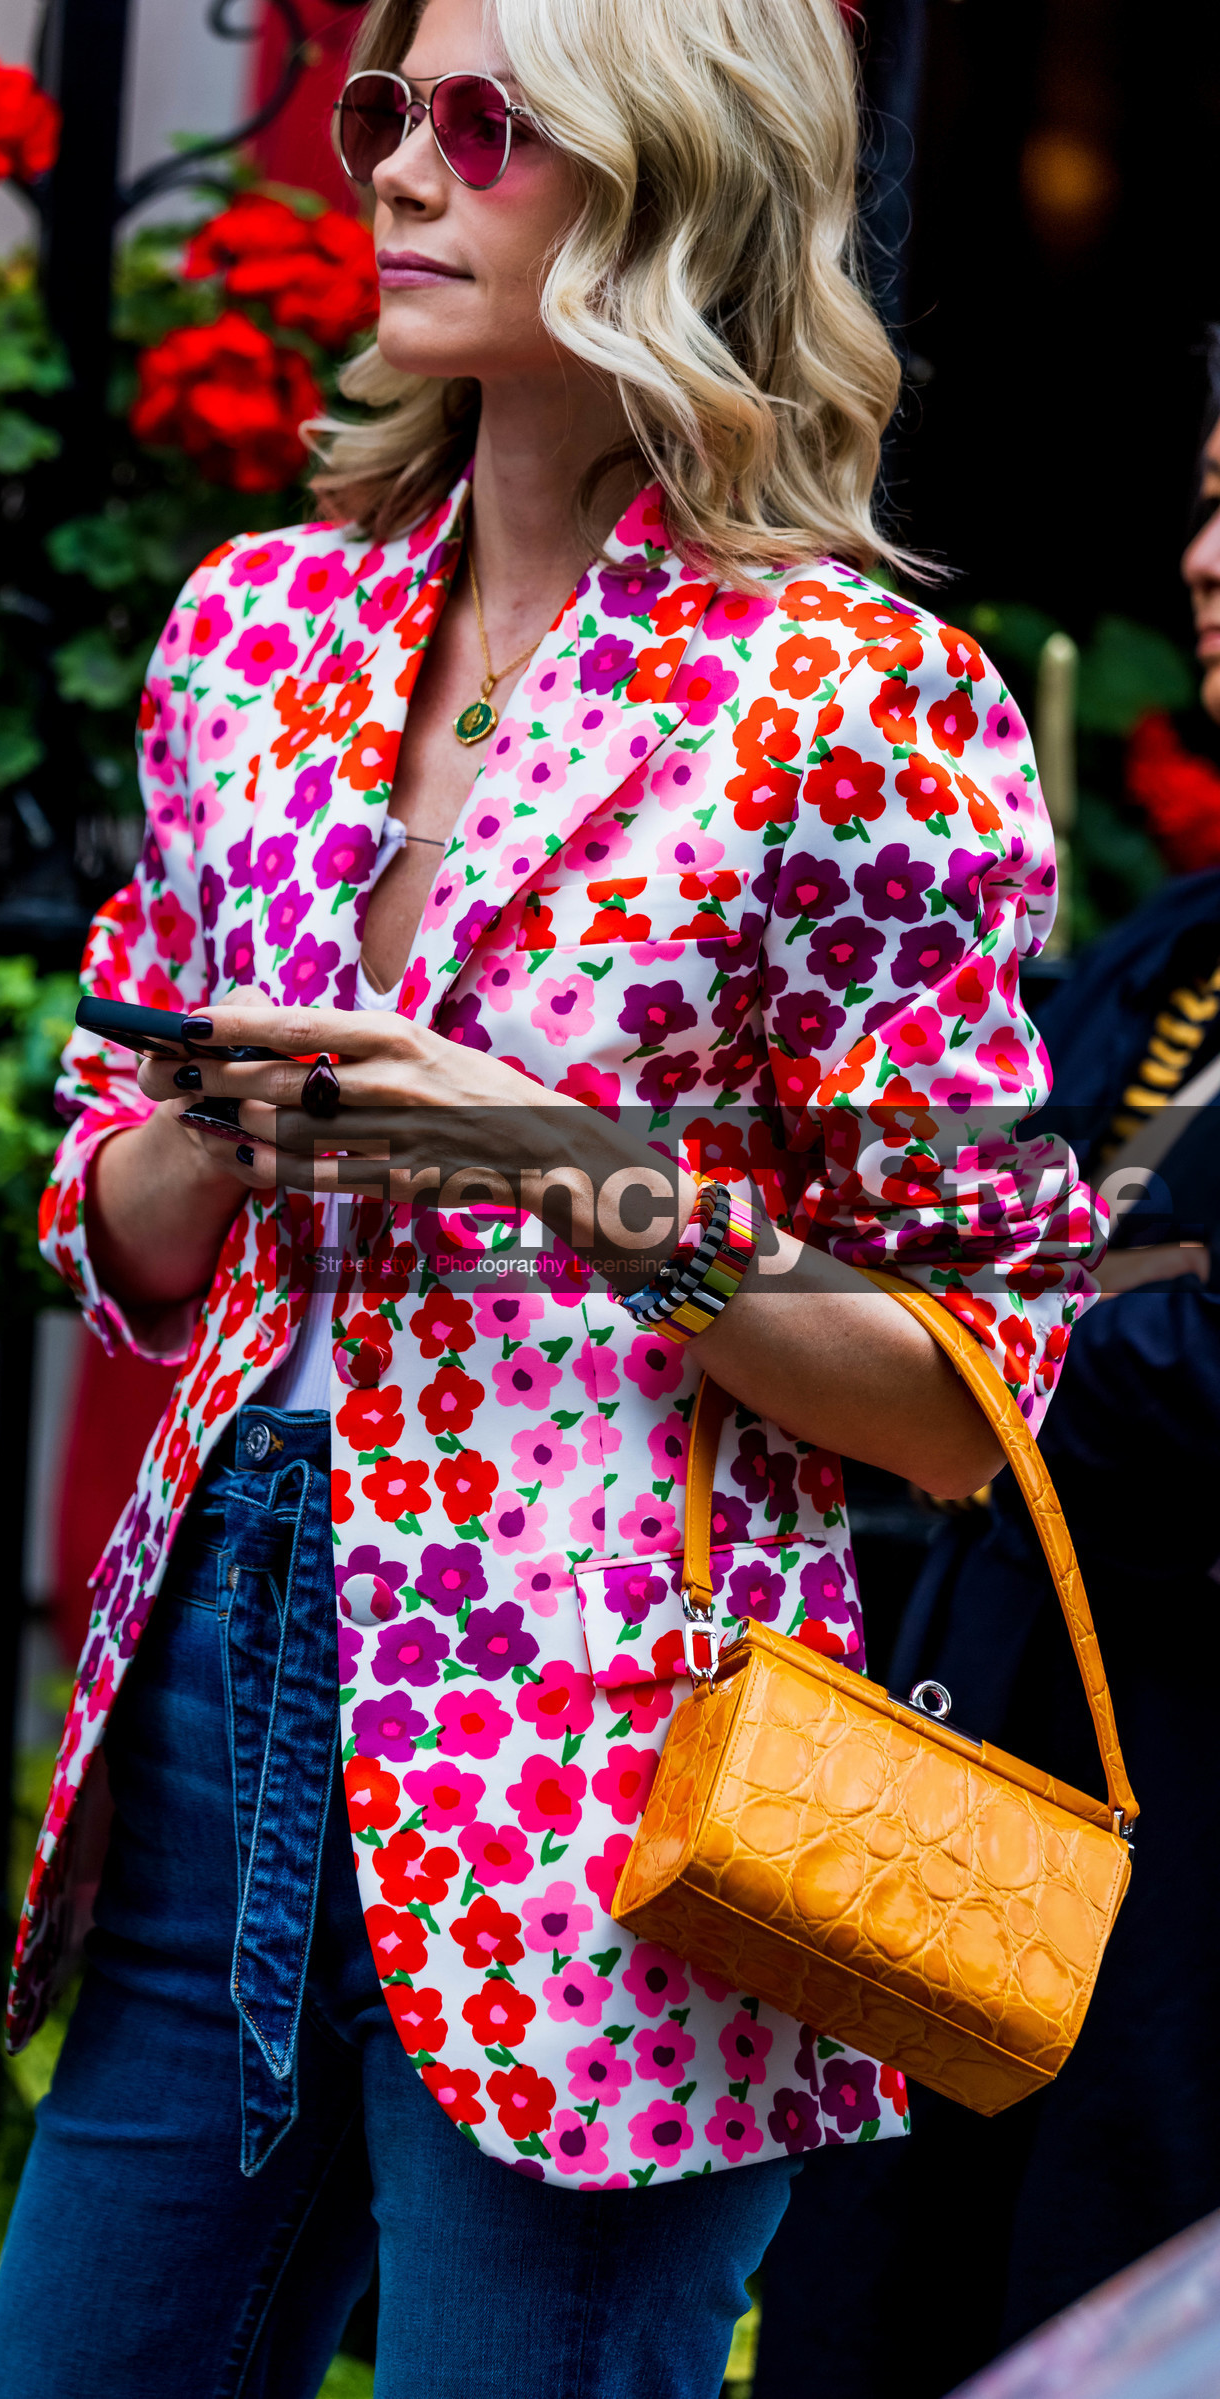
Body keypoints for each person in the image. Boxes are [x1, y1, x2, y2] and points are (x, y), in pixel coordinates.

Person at [0, 4, 1098, 2394]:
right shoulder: (250, 634)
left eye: (483, 125)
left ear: (670, 174)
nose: (396, 171)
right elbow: (108, 1219)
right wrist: (221, 1135)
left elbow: (962, 1384)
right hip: (218, 1665)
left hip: (606, 1751)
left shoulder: (854, 699)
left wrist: (565, 1171)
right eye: (387, 111)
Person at [752, 372, 1220, 2399]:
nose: (1199, 558)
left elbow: (1163, 1375)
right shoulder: (1170, 948)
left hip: (1189, 1849)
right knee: (888, 2304)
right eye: (1204, 498)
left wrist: (965, 1328)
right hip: (987, 1791)